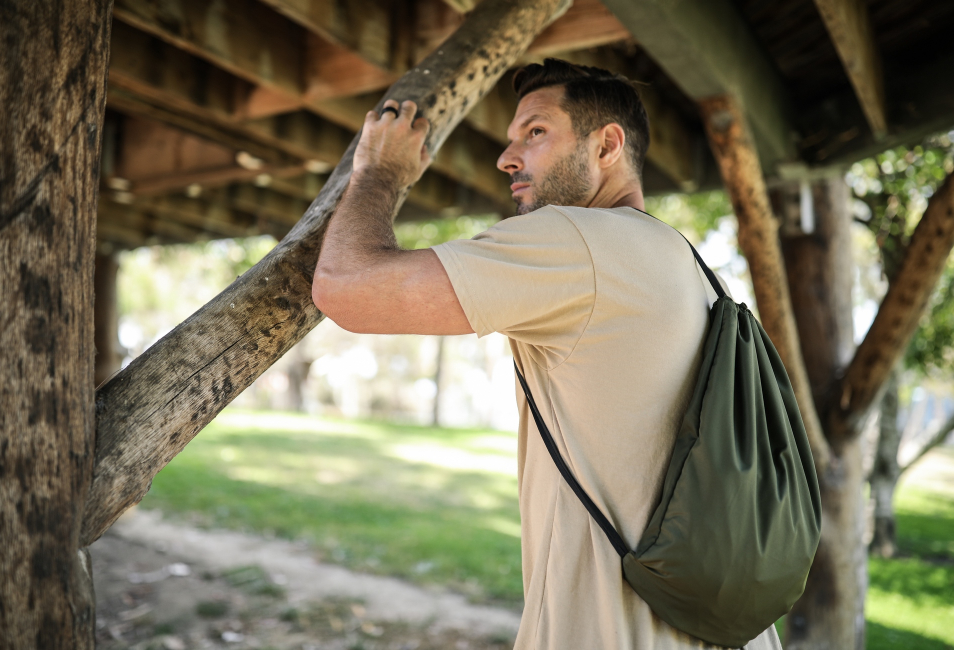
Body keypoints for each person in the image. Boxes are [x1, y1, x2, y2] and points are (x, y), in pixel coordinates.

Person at [312, 59, 782, 650]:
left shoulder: (578, 239)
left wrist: (380, 172)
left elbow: (347, 288)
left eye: (535, 132)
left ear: (607, 144)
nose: (508, 157)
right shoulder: (684, 263)